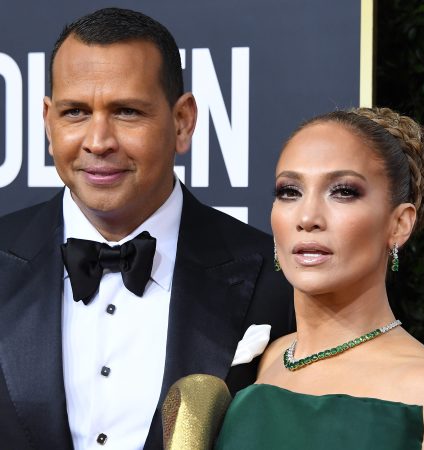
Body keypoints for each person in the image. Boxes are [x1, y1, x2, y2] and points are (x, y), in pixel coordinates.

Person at [0, 8, 294, 450]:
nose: (98, 141)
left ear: (182, 122)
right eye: (75, 112)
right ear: (48, 121)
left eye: (127, 112)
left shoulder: (276, 280)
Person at [215, 107, 424, 449]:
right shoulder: (260, 359)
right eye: (289, 191)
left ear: (399, 224)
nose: (307, 217)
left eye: (343, 191)